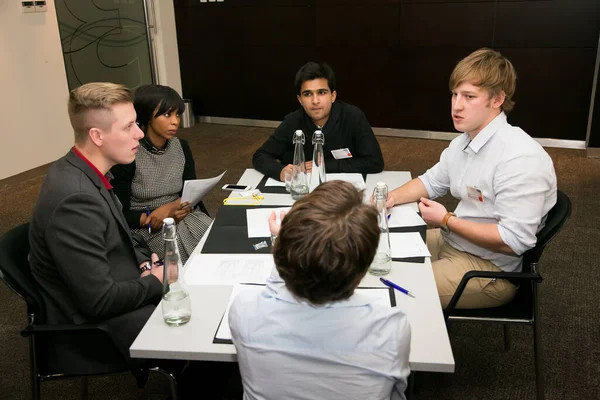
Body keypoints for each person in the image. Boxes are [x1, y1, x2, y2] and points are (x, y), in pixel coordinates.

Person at [386, 48, 557, 309]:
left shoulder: (520, 157)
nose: (456, 105)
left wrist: (446, 220)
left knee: (393, 288)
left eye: (469, 96)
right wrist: (391, 197)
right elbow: (430, 182)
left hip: (491, 269)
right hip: (454, 240)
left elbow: (513, 242)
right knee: (378, 250)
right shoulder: (463, 142)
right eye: (455, 94)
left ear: (497, 99)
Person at [229, 180, 411, 400]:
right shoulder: (391, 328)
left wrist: (284, 242)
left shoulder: (244, 311)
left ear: (284, 253)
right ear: (364, 267)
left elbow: (281, 285)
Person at [29, 82, 165, 369]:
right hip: (97, 330)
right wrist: (156, 280)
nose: (139, 134)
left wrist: (142, 263)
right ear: (97, 136)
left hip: (121, 288)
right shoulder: (75, 198)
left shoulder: (83, 171)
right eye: (129, 127)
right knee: (213, 346)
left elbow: (115, 238)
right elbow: (99, 302)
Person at [110, 84, 212, 264]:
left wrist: (175, 207)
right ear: (148, 115)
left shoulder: (181, 147)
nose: (175, 121)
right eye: (167, 114)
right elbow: (118, 212)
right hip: (147, 227)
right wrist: (149, 218)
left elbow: (190, 190)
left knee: (214, 240)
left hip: (183, 215)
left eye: (178, 114)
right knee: (178, 260)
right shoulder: (130, 153)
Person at [252, 62, 384, 181]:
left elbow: (375, 162)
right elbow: (261, 156)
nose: (315, 101)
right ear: (300, 100)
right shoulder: (293, 121)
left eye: (321, 92)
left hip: (344, 187)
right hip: (304, 189)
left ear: (333, 96)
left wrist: (324, 165)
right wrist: (280, 171)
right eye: (308, 94)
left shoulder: (353, 116)